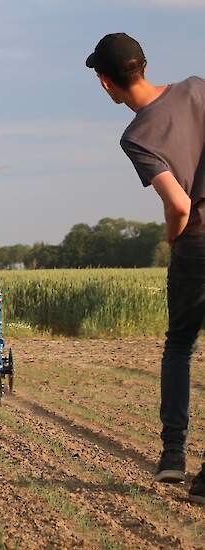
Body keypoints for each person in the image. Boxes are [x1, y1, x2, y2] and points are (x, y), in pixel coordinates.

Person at [87, 32, 205, 502]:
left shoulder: (136, 136)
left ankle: (173, 455)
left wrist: (173, 237)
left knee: (179, 346)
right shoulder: (198, 88)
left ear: (105, 83)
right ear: (144, 63)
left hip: (195, 247)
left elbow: (177, 203)